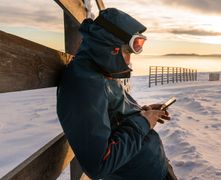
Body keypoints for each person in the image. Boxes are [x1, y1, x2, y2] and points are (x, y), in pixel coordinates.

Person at [56, 8, 177, 180]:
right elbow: (100, 164)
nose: (129, 60)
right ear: (110, 47)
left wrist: (143, 112)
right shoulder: (83, 85)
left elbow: (114, 117)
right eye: (127, 51)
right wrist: (143, 122)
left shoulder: (101, 71)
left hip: (154, 168)